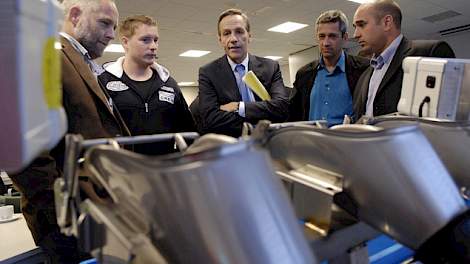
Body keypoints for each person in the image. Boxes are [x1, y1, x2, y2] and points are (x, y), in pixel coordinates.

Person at [9, 0, 130, 262]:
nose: (111, 34)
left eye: (114, 26)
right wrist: (61, 212)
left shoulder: (78, 62)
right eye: (105, 23)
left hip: (94, 212)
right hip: (68, 220)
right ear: (75, 15)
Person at [99, 15, 195, 155]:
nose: (153, 46)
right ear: (125, 42)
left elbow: (188, 131)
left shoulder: (169, 84)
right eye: (145, 40)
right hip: (123, 169)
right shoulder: (104, 82)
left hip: (162, 170)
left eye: (156, 40)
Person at [352, 0, 455, 120]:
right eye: (355, 27)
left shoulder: (428, 54)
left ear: (387, 22)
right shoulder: (365, 76)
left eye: (361, 25)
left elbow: (446, 116)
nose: (355, 34)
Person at [198, 8, 289, 137]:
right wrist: (258, 123)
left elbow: (282, 107)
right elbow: (210, 119)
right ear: (220, 40)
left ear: (249, 36)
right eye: (226, 33)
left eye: (239, 32)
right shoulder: (208, 73)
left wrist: (239, 107)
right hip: (232, 146)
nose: (233, 38)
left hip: (268, 145)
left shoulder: (270, 67)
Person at [289, 10, 369, 125]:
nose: (326, 43)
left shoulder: (364, 70)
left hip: (349, 139)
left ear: (345, 38)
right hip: (313, 140)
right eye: (322, 36)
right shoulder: (304, 74)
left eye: (332, 36)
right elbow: (294, 113)